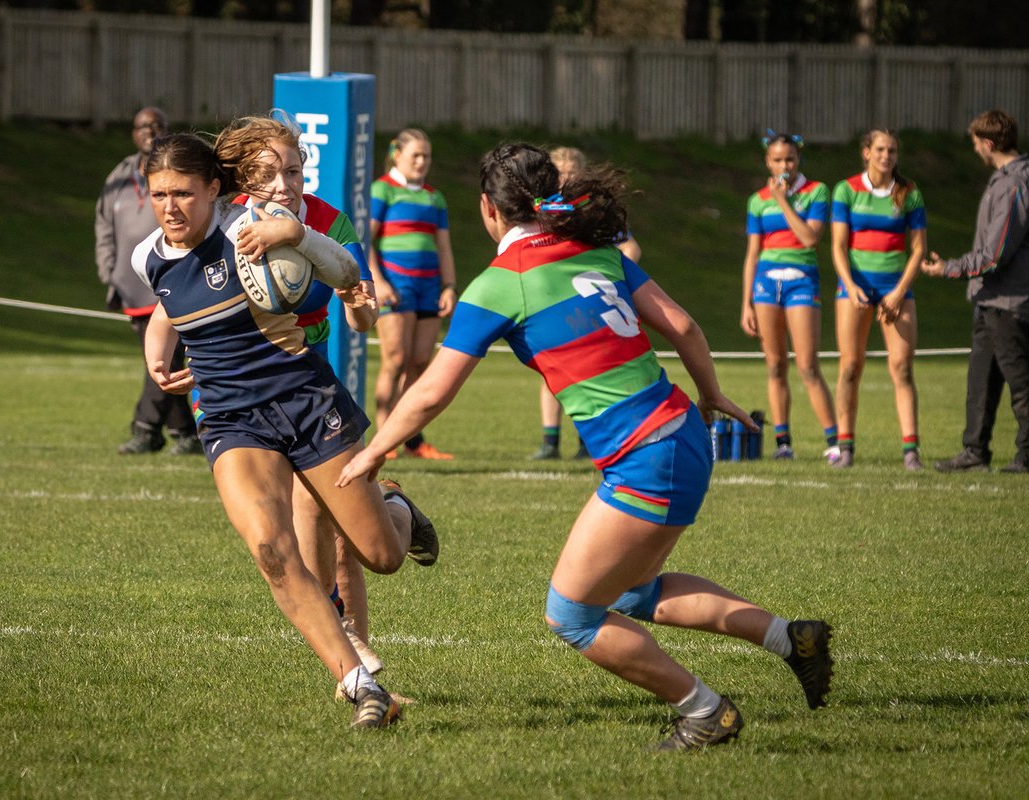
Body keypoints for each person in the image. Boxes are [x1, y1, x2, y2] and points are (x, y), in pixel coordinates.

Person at [338, 143, 834, 751]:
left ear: (487, 210)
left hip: (645, 454)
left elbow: (431, 390)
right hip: (680, 434)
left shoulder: (500, 282)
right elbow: (681, 324)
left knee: (570, 615)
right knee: (631, 592)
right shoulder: (596, 249)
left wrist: (373, 452)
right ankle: (793, 639)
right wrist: (710, 394)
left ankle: (705, 712)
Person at [132, 132, 439, 729]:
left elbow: (347, 269)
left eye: (184, 194)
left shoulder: (258, 227)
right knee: (273, 549)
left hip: (303, 399)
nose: (170, 207)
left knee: (381, 554)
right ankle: (362, 688)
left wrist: (296, 234)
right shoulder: (149, 254)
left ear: (216, 191)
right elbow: (173, 301)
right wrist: (158, 351)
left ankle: (394, 503)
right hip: (228, 416)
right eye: (159, 194)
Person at [214, 112, 405, 682]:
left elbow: (364, 316)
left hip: (310, 375)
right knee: (306, 521)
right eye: (269, 175)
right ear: (246, 178)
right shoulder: (226, 221)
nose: (284, 185)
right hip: (251, 386)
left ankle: (390, 509)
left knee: (346, 534)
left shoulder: (326, 220)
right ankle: (355, 658)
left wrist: (356, 300)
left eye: (293, 171)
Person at [922, 109, 1029, 474]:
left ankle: (1027, 454)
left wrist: (949, 267)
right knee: (980, 382)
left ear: (987, 143)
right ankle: (974, 452)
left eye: (975, 145)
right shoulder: (1002, 180)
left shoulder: (1014, 184)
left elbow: (996, 254)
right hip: (988, 302)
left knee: (1021, 384)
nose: (975, 152)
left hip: (1008, 303)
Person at [95, 107, 201, 456]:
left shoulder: (177, 169)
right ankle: (184, 433)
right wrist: (109, 272)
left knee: (164, 360)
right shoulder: (119, 177)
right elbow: (104, 228)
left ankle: (146, 429)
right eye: (143, 126)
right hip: (131, 283)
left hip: (171, 278)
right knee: (162, 361)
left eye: (158, 125)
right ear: (133, 133)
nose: (150, 131)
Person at [530, 146, 643, 461]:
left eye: (572, 174)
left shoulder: (593, 211)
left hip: (587, 303)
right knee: (550, 369)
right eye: (559, 173)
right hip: (553, 300)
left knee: (588, 371)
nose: (565, 179)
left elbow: (631, 248)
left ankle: (586, 441)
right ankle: (550, 442)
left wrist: (605, 276)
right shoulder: (542, 212)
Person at [830, 128, 927, 470]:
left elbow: (918, 250)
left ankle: (911, 450)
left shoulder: (909, 192)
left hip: (896, 290)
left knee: (901, 366)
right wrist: (850, 285)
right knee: (851, 366)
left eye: (893, 151)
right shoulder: (846, 190)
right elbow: (838, 246)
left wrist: (899, 291)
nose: (887, 156)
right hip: (854, 290)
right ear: (866, 153)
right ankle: (845, 448)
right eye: (881, 149)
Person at [740, 131, 838, 462]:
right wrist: (746, 302)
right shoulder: (756, 200)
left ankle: (835, 444)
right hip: (765, 286)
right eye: (778, 159)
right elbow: (752, 253)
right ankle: (783, 443)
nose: (785, 165)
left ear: (799, 159)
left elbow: (810, 238)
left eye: (790, 159)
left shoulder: (817, 191)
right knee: (775, 365)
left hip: (801, 283)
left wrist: (782, 200)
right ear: (768, 161)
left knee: (808, 365)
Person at [370, 129, 457, 460]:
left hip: (429, 288)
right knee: (395, 359)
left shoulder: (435, 197)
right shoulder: (383, 190)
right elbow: (365, 240)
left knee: (420, 362)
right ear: (398, 155)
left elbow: (444, 246)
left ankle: (413, 439)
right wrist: (378, 281)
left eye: (427, 156)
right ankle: (383, 438)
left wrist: (449, 286)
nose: (422, 162)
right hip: (396, 286)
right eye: (415, 156)